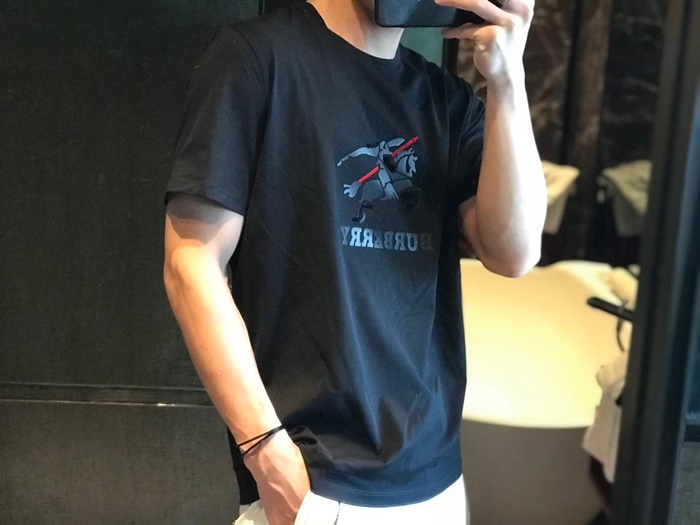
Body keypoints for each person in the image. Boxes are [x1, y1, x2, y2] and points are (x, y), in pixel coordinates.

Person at [163, 0, 546, 523]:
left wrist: (507, 80)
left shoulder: (444, 100)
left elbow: (514, 252)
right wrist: (265, 450)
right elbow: (192, 263)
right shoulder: (256, 58)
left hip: (436, 480)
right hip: (312, 476)